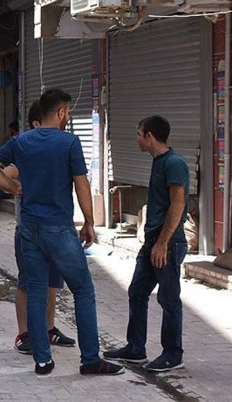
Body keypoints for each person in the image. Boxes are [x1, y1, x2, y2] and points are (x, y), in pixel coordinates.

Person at [0, 88, 124, 376]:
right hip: (58, 228)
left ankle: (43, 360)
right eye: (67, 112)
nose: (67, 117)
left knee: (35, 290)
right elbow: (81, 184)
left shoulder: (21, 141)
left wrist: (12, 187)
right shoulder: (68, 142)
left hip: (28, 228)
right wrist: (89, 222)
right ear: (60, 112)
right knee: (83, 290)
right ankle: (90, 359)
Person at [103, 115, 189, 373]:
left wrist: (162, 243)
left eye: (139, 134)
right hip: (153, 241)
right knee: (137, 292)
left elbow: (177, 205)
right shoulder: (159, 161)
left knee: (168, 298)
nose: (137, 139)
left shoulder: (174, 163)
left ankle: (173, 353)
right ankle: (135, 348)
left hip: (168, 243)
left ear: (150, 136)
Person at [0, 101, 76, 354]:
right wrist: (14, 187)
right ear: (37, 124)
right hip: (29, 230)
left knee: (51, 283)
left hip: (55, 229)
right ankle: (25, 334)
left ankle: (49, 329)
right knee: (28, 282)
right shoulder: (26, 152)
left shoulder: (59, 150)